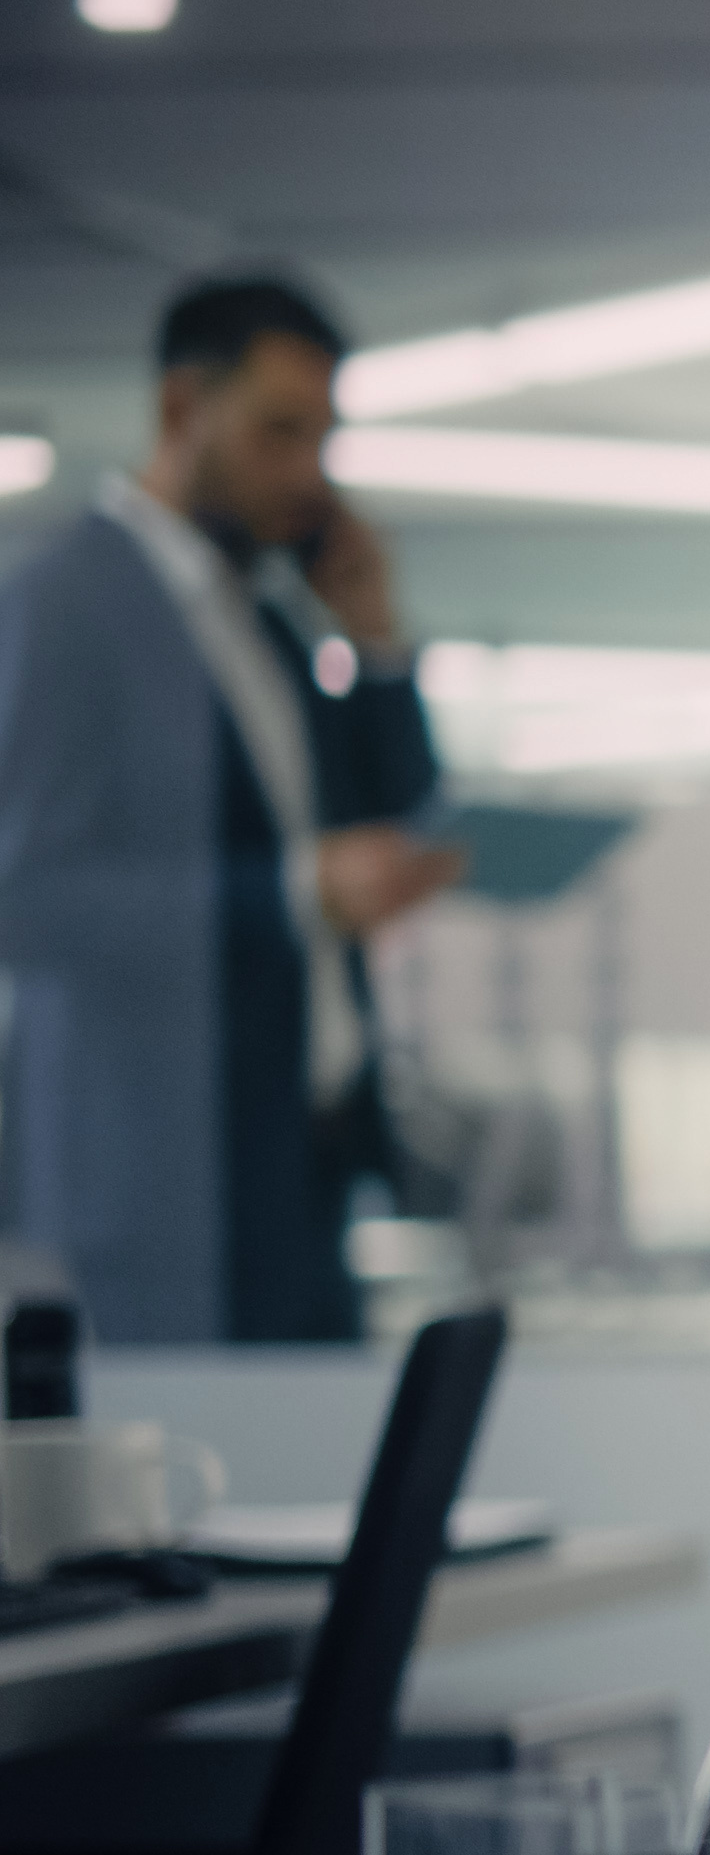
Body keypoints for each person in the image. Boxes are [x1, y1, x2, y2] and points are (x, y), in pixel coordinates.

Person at [0, 275, 458, 1344]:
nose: (308, 476)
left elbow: (402, 809)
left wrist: (377, 639)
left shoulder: (267, 627)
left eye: (324, 440)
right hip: (162, 1193)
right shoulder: (69, 605)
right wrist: (296, 893)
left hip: (303, 1174)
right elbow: (30, 899)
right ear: (180, 411)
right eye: (277, 434)